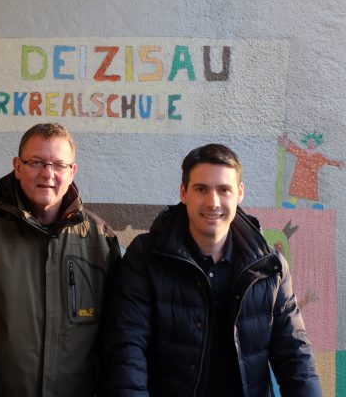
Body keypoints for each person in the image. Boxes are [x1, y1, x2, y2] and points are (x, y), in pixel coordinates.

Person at [100, 143, 321, 396]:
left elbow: (295, 356)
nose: (213, 202)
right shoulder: (147, 256)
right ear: (184, 193)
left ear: (239, 193)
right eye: (201, 189)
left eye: (224, 190)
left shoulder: (269, 266)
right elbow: (127, 349)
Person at [0, 123, 121, 397]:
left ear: (72, 172)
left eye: (59, 165)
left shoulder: (100, 241)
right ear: (18, 167)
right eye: (36, 162)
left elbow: (117, 328)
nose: (48, 173)